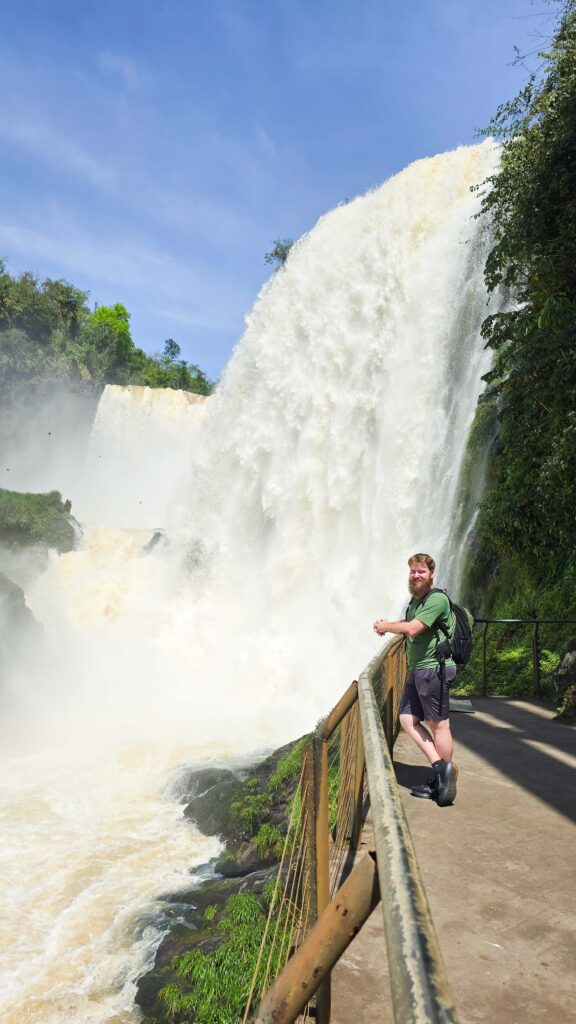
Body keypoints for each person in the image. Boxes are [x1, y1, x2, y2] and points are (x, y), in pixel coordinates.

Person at [373, 552, 458, 806]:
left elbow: (412, 629)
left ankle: (444, 781)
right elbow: (409, 622)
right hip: (417, 669)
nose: (416, 575)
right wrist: (388, 623)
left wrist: (388, 627)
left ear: (431, 574)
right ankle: (440, 768)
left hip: (434, 669)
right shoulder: (416, 602)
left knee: (439, 725)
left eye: (421, 571)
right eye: (412, 571)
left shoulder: (437, 599)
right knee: (407, 719)